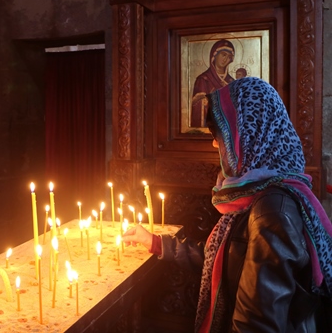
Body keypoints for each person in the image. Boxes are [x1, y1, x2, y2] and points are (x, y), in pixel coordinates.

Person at [124, 77, 332, 332]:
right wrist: (156, 243)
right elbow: (225, 260)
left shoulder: (272, 212)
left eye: (219, 136)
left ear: (251, 136)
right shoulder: (259, 194)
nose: (214, 144)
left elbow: (256, 325)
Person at [190, 40, 235, 127]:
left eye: (229, 57)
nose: (225, 59)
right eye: (223, 54)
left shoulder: (231, 82)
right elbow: (197, 108)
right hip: (209, 126)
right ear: (214, 55)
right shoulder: (203, 80)